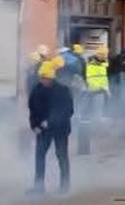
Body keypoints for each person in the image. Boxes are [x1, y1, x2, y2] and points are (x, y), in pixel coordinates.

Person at [28, 61, 74, 194]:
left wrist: (50, 121)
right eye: (42, 77)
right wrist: (35, 125)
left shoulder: (62, 91)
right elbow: (33, 110)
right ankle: (39, 186)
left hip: (60, 129)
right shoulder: (36, 91)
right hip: (43, 131)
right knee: (40, 155)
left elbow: (67, 110)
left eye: (46, 78)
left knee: (62, 156)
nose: (43, 80)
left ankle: (65, 186)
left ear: (52, 78)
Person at [84, 47, 111, 120]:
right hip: (97, 91)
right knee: (97, 114)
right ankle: (95, 129)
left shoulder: (99, 64)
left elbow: (103, 78)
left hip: (99, 91)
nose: (106, 56)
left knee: (97, 113)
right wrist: (104, 89)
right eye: (105, 55)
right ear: (100, 55)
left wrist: (107, 89)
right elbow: (94, 78)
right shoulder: (95, 65)